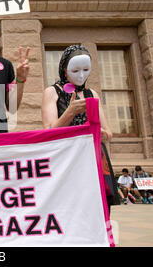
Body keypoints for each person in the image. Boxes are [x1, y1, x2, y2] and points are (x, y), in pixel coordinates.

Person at [41, 44, 121, 214]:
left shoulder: (92, 94)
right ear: (64, 69)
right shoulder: (52, 92)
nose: (81, 75)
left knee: (99, 208)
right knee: (69, 209)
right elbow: (48, 131)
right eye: (75, 70)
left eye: (86, 69)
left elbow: (108, 132)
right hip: (66, 159)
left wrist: (100, 132)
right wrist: (70, 112)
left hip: (93, 157)